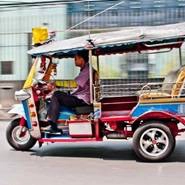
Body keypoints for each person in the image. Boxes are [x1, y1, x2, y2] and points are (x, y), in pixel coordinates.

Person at [47, 50, 90, 133]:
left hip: (82, 100)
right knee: (59, 94)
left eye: (76, 59)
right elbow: (78, 86)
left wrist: (56, 83)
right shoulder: (84, 70)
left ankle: (53, 125)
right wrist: (58, 85)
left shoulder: (87, 70)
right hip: (80, 97)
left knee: (56, 95)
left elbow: (74, 83)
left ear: (82, 59)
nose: (74, 61)